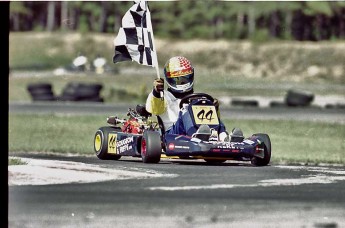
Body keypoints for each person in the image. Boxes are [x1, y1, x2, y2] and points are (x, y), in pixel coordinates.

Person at [145, 56, 229, 141]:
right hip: (173, 135)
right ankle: (195, 136)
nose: (182, 82)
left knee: (207, 105)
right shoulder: (163, 96)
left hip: (202, 131)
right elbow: (154, 109)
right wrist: (156, 92)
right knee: (186, 109)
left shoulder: (198, 97)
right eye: (177, 79)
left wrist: (214, 108)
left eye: (185, 78)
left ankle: (223, 136)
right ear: (169, 79)